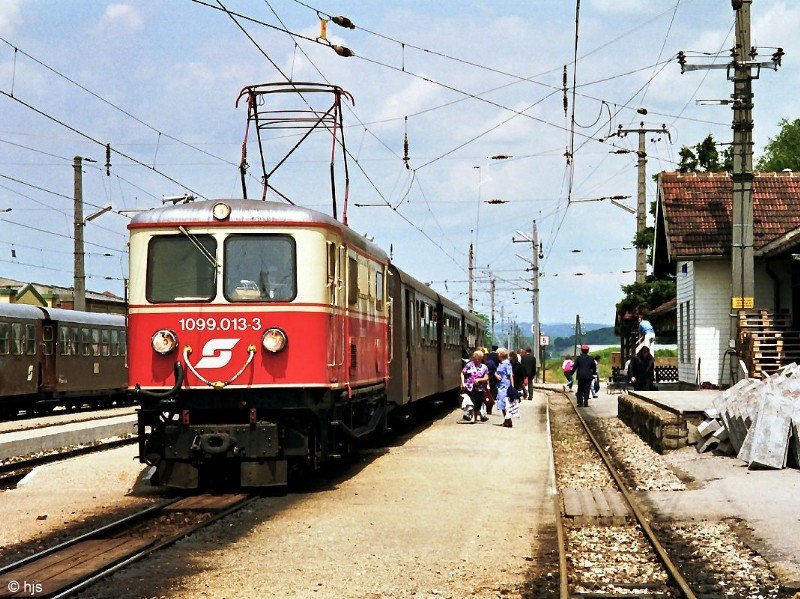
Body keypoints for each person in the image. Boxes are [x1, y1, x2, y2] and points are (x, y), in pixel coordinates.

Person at [460, 349, 490, 423]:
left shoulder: (484, 367)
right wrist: (463, 383)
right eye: (476, 359)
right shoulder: (469, 365)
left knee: (477, 403)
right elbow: (462, 373)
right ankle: (473, 417)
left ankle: (474, 417)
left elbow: (486, 378)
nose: (477, 360)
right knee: (471, 402)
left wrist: (479, 380)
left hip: (479, 388)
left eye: (479, 359)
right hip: (469, 386)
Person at [494, 348, 518, 427]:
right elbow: (497, 372)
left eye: (498, 354)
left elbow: (510, 375)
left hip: (505, 386)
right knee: (502, 403)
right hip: (501, 385)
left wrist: (512, 387)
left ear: (501, 355)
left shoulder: (507, 363)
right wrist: (496, 375)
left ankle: (508, 421)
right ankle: (506, 420)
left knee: (504, 403)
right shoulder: (501, 364)